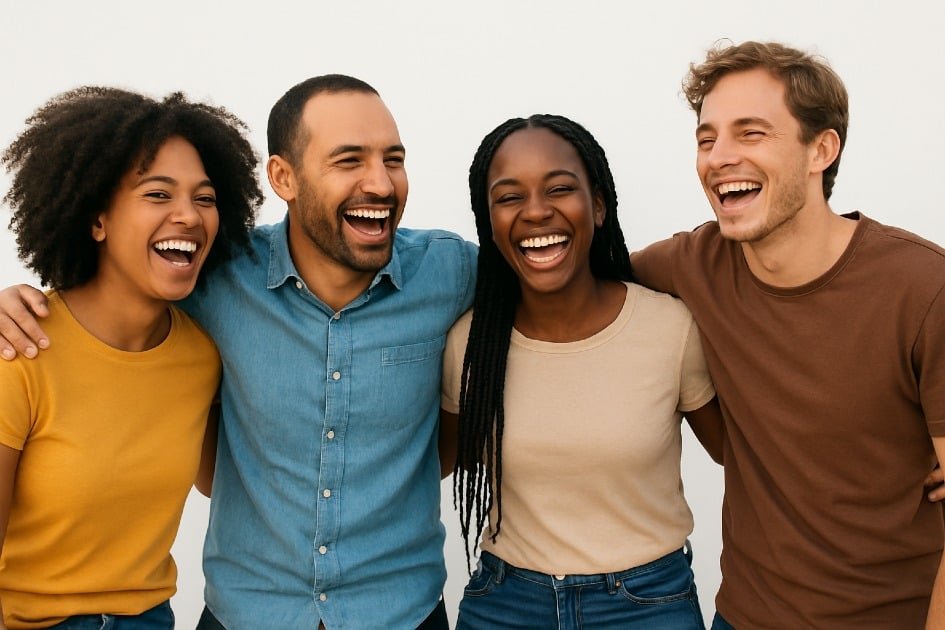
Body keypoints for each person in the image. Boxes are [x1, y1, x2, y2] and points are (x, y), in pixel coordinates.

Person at [0, 75, 475, 629]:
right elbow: (114, 288)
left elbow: (545, 284)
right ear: (283, 177)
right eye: (349, 160)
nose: (380, 182)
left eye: (393, 159)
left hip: (401, 613)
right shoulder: (215, 278)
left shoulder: (451, 271)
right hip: (244, 614)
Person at [629, 41, 945, 628]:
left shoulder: (923, 287)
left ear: (821, 149)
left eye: (751, 133)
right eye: (706, 139)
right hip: (743, 617)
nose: (719, 157)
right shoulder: (694, 264)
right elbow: (575, 283)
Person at [439, 114, 724, 629]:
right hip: (507, 604)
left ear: (598, 205)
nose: (536, 211)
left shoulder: (670, 328)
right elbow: (425, 465)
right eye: (509, 197)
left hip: (646, 605)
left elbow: (739, 455)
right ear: (489, 221)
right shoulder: (471, 343)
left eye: (560, 189)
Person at [0, 87, 261, 628]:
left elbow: (219, 482)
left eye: (205, 198)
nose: (188, 215)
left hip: (150, 618)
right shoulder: (19, 349)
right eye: (158, 194)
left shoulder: (202, 355)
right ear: (98, 219)